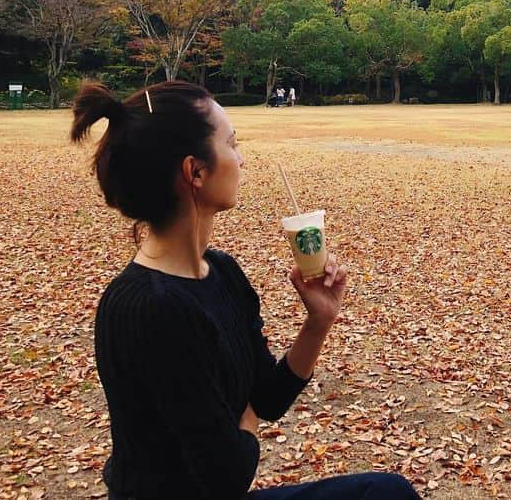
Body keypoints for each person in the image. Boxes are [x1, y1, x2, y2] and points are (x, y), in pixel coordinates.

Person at [70, 81, 419, 500]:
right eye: (232, 144)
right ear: (195, 172)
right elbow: (227, 475)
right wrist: (246, 416)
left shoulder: (221, 271)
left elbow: (268, 399)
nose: (241, 158)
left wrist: (318, 322)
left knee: (384, 493)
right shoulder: (151, 308)